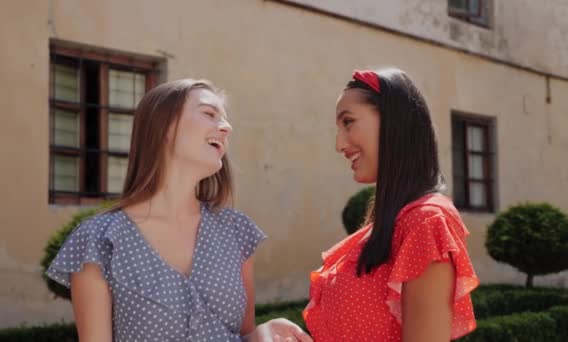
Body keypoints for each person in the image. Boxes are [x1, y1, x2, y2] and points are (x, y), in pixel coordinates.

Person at [46, 79, 310, 342]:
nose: (227, 127)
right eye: (209, 113)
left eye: (225, 119)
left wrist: (261, 335)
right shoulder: (99, 240)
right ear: (164, 126)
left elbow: (240, 336)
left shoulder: (237, 231)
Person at [303, 69, 480, 341]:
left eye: (348, 122)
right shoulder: (390, 223)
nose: (339, 144)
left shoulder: (427, 221)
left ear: (394, 121)